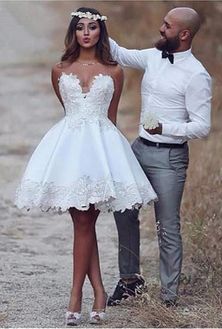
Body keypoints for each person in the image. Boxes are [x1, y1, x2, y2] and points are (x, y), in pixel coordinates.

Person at [15, 7, 157, 326]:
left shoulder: (114, 70)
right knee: (82, 223)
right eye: (81, 27)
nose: (87, 33)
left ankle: (76, 296)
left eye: (93, 27)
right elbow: (68, 110)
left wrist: (110, 161)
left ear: (100, 32)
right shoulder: (59, 69)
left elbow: (111, 117)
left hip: (101, 150)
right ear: (74, 32)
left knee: (84, 223)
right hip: (68, 151)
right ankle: (98, 291)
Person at [108, 7, 212, 307]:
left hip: (170, 158)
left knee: (167, 226)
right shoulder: (154, 56)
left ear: (183, 34)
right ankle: (129, 282)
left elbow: (202, 127)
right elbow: (120, 53)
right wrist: (94, 22)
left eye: (166, 26)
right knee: (124, 209)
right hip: (139, 148)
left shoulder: (197, 75)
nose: (159, 28)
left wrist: (166, 127)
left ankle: (167, 299)